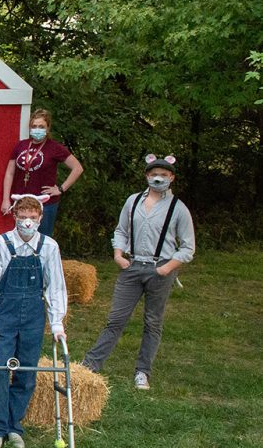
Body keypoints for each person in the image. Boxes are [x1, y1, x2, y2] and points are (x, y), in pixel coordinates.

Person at [81, 155, 195, 390]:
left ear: (171, 177)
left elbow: (187, 247)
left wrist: (166, 267)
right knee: (116, 319)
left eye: (164, 175)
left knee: (152, 322)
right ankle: (90, 365)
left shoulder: (178, 208)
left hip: (160, 269)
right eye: (154, 174)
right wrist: (118, 255)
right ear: (146, 175)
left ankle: (143, 372)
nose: (158, 178)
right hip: (132, 267)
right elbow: (121, 230)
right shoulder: (133, 201)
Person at [0, 194, 67, 448]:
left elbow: (56, 287)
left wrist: (57, 323)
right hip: (5, 315)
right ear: (15, 217)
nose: (27, 222)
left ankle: (14, 426)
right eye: (23, 217)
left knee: (27, 374)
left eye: (33, 218)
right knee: (1, 371)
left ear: (41, 218)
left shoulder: (49, 247)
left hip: (33, 317)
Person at [0, 109, 84, 236]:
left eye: (41, 126)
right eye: (34, 126)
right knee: (20, 237)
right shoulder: (21, 146)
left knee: (41, 240)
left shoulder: (55, 148)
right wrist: (6, 199)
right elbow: (10, 173)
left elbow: (77, 168)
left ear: (48, 128)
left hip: (45, 203)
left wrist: (61, 189)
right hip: (22, 201)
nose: (37, 129)